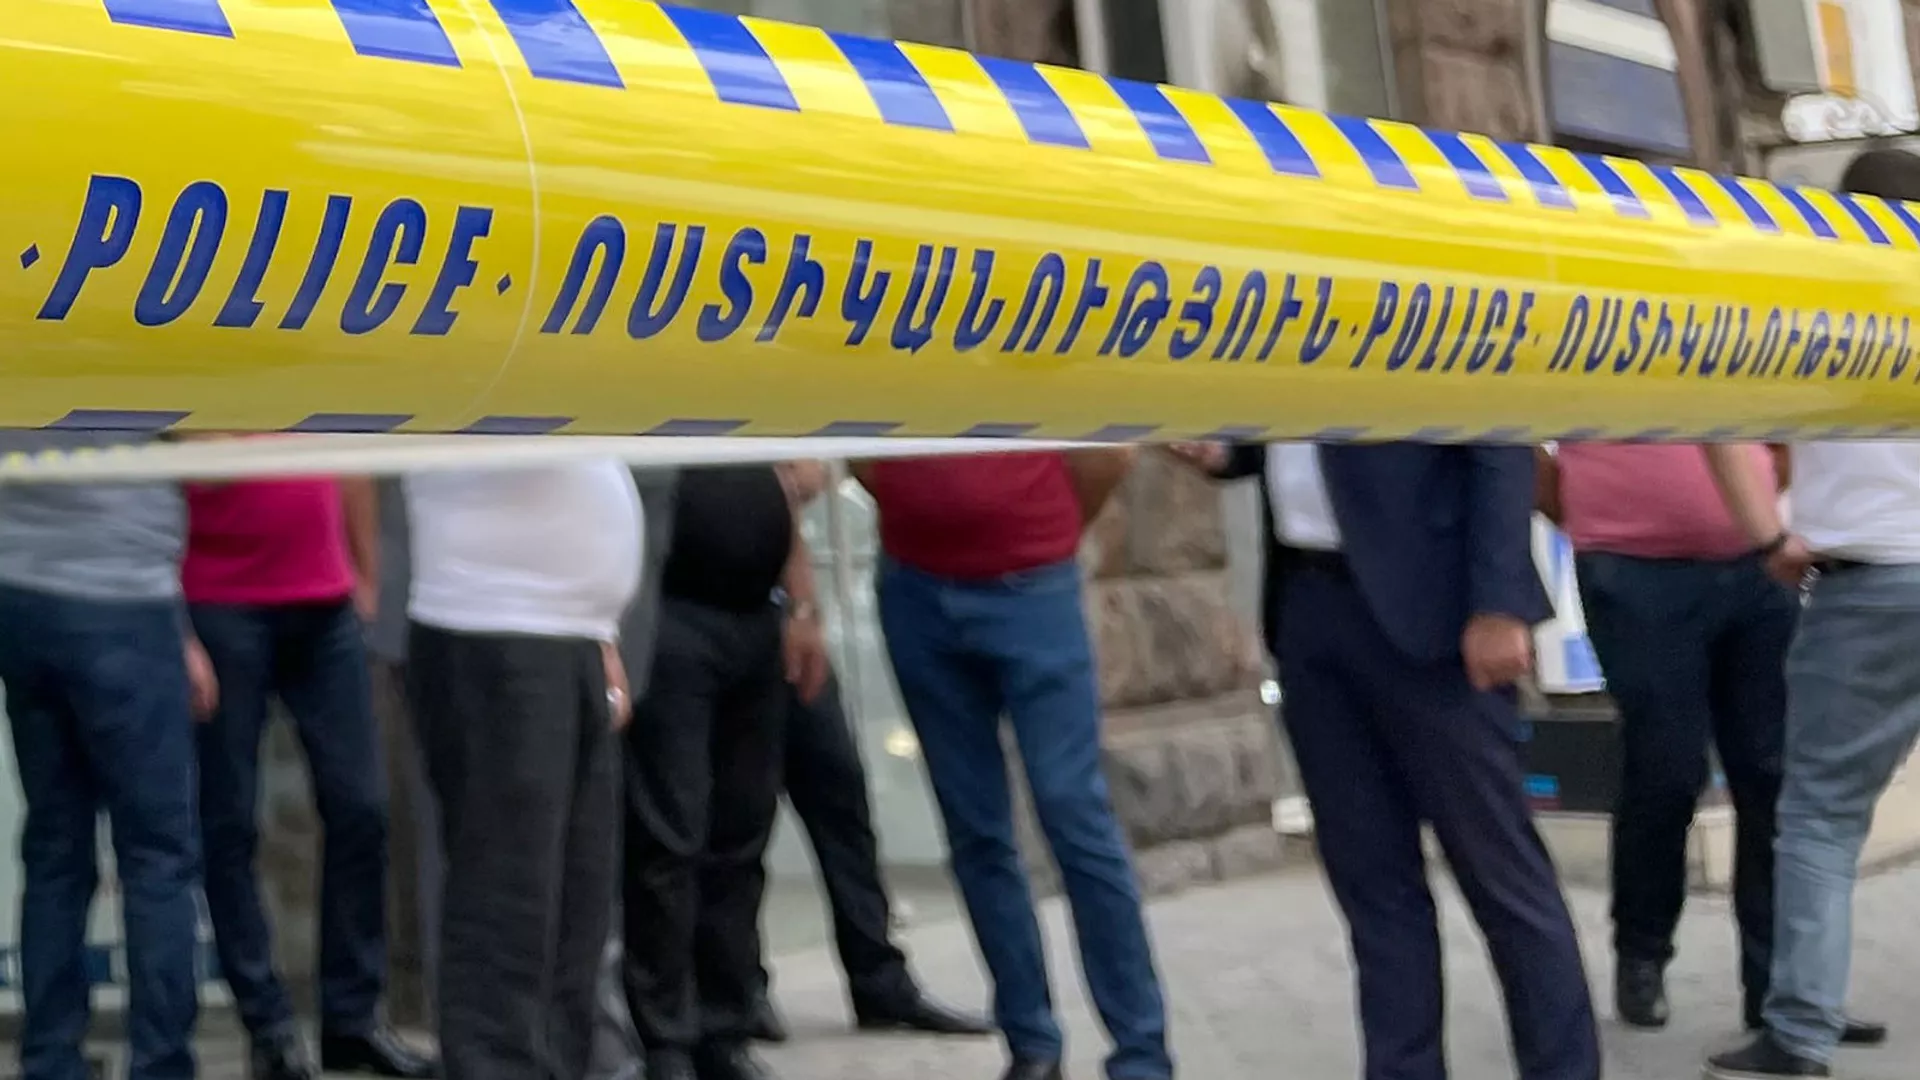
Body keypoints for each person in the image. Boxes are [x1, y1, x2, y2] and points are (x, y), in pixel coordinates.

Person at [1174, 438, 1599, 1080]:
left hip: (1437, 607)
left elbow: (1498, 443)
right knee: (1372, 881)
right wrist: (1231, 451)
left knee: (1500, 872)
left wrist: (1499, 602)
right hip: (1307, 598)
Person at [1540, 443, 1886, 1046]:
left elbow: (1780, 435)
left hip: (1756, 567)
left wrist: (1758, 503)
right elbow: (1516, 444)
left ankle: (1787, 990)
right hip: (1631, 567)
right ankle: (1642, 950)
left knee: (1773, 777)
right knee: (1666, 769)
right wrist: (1588, 508)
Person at [1700, 145, 1920, 1080]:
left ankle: (1799, 1031)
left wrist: (1766, 536)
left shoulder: (1813, 305)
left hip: (1868, 588)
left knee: (1822, 814)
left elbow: (1718, 423)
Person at [856, 448, 1167, 1080]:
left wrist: (1038, 528)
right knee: (976, 830)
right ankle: (1032, 1043)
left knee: (1073, 816)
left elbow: (1109, 454)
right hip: (917, 587)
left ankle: (1140, 1054)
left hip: (1031, 586)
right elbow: (861, 453)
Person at [181, 465, 433, 1080]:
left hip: (324, 603)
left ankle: (352, 1018)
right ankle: (267, 1026)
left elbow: (350, 462)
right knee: (230, 823)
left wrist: (365, 579)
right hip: (220, 602)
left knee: (362, 807)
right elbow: (182, 475)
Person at [403, 458, 641, 1080]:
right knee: (508, 901)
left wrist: (601, 631)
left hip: (571, 633)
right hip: (493, 622)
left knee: (578, 905)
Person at [743, 461, 991, 1043]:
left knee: (841, 796)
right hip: (720, 611)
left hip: (781, 608)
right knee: (741, 818)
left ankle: (879, 976)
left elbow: (808, 477)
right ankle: (739, 987)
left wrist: (804, 608)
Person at [0, 431, 211, 1080]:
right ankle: (160, 1065)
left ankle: (49, 1060)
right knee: (158, 856)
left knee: (55, 850)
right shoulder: (152, 362)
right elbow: (218, 454)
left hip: (20, 591)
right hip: (122, 595)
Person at [620, 462, 829, 1080]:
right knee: (669, 836)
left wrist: (802, 605)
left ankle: (724, 1027)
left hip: (756, 620)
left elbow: (785, 493)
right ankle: (665, 1038)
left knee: (741, 834)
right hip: (672, 616)